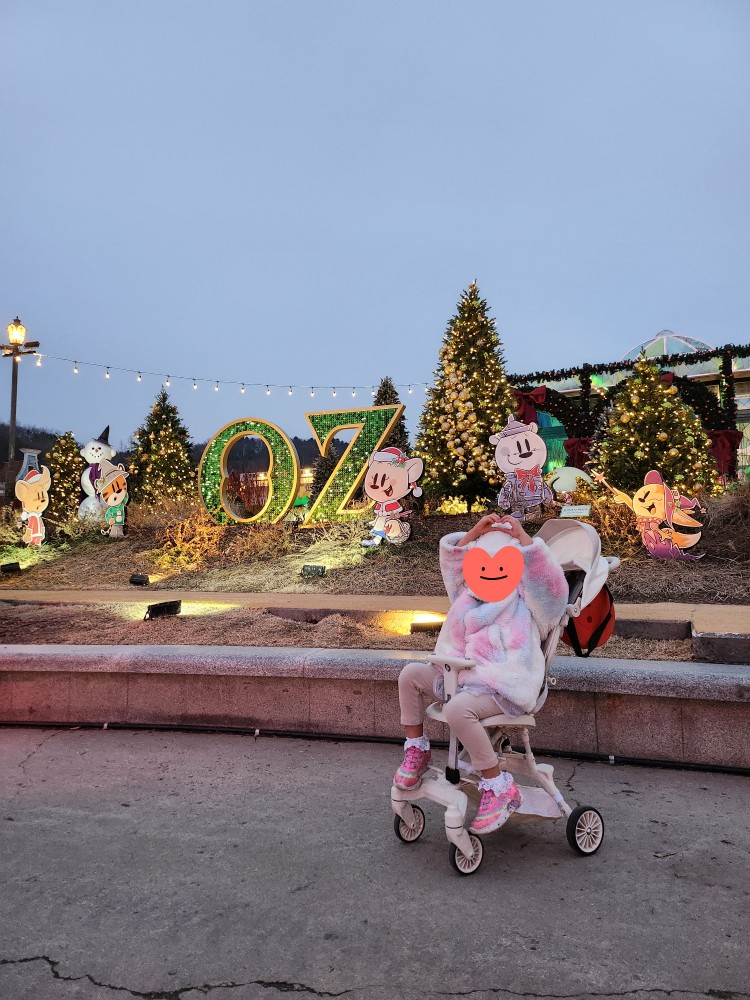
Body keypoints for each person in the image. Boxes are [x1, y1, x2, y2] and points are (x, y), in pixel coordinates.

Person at [394, 512, 569, 834]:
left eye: (501, 566)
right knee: (410, 675)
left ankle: (498, 786)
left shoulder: (529, 603)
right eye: (483, 565)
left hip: (502, 685)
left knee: (457, 709)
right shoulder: (467, 596)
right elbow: (454, 566)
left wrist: (523, 540)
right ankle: (416, 749)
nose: (490, 572)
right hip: (458, 678)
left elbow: (552, 591)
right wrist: (475, 532)